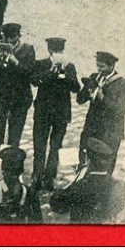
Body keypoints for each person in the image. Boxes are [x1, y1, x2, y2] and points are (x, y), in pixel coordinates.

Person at [30, 37, 79, 190]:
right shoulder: (41, 64)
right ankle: (37, 175)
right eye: (56, 51)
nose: (58, 53)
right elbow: (34, 80)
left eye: (61, 51)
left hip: (61, 113)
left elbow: (76, 88)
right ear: (50, 51)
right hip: (43, 111)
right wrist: (50, 72)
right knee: (39, 145)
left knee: (55, 146)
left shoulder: (69, 66)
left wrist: (67, 75)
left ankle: (50, 177)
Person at [0, 22, 36, 154]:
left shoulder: (28, 49)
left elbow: (30, 73)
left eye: (12, 38)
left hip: (19, 96)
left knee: (15, 134)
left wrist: (15, 61)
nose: (8, 41)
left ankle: (10, 165)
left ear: (18, 36)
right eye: (6, 37)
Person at [50, 137, 125, 223]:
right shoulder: (120, 185)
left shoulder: (78, 188)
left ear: (88, 161)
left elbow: (56, 205)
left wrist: (72, 182)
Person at [76, 51, 125, 173]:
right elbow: (79, 100)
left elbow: (120, 111)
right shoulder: (95, 77)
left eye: (102, 66)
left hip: (109, 133)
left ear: (111, 66)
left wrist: (101, 97)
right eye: (97, 65)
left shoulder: (122, 84)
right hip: (91, 128)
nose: (99, 69)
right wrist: (87, 89)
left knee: (105, 166)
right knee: (85, 161)